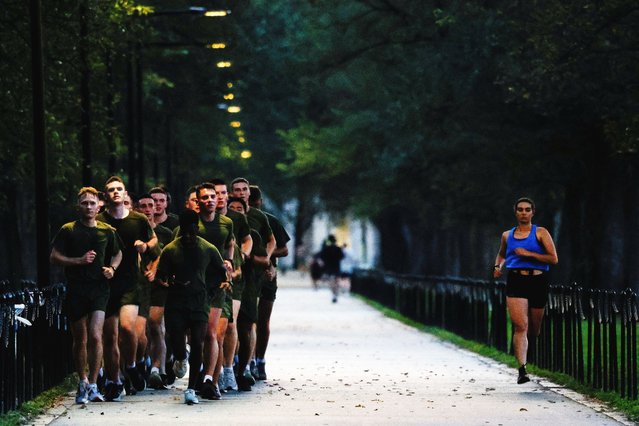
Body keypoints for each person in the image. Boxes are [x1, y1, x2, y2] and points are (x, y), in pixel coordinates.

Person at [50, 187, 122, 404]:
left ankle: (93, 384)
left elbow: (118, 252)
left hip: (99, 289)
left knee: (96, 335)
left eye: (93, 203)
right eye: (85, 203)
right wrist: (78, 261)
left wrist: (112, 269)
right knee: (80, 338)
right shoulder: (68, 230)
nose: (89, 207)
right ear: (78, 206)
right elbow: (54, 256)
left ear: (100, 205)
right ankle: (81, 381)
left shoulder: (107, 230)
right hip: (76, 289)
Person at [155, 210, 230, 405]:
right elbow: (160, 277)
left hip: (199, 303)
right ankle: (180, 357)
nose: (188, 236)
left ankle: (191, 388)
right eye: (184, 232)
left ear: (196, 229)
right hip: (176, 303)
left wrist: (210, 292)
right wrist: (169, 283)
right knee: (177, 340)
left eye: (191, 232)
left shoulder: (208, 249)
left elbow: (223, 276)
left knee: (198, 342)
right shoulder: (170, 250)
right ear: (179, 230)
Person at [97, 176, 158, 401]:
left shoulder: (138, 219)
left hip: (130, 283)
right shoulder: (100, 220)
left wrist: (144, 245)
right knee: (109, 335)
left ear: (125, 194)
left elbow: (153, 241)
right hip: (105, 285)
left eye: (119, 189)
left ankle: (131, 365)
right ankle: (115, 381)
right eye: (111, 189)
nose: (115, 192)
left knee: (127, 328)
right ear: (106, 195)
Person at [493, 197, 558, 384]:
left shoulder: (541, 233)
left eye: (527, 209)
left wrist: (529, 254)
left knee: (534, 328)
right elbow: (502, 254)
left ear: (532, 212)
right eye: (520, 209)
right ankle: (522, 369)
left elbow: (553, 259)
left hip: (538, 279)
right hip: (516, 280)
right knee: (520, 325)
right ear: (515, 212)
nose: (523, 212)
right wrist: (497, 267)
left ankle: (532, 347)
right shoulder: (507, 235)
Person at [249, 185, 290, 381]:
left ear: (260, 202)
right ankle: (246, 360)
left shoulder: (270, 221)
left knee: (262, 320)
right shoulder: (237, 220)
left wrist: (266, 254)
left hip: (267, 275)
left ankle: (260, 359)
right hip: (247, 276)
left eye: (255, 202)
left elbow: (284, 250)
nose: (252, 205)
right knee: (247, 321)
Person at [318, 235, 344, 303]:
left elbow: (321, 257)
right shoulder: (338, 248)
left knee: (331, 281)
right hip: (336, 266)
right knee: (336, 281)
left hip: (329, 267)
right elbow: (342, 257)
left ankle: (333, 294)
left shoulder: (326, 248)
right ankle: (336, 293)